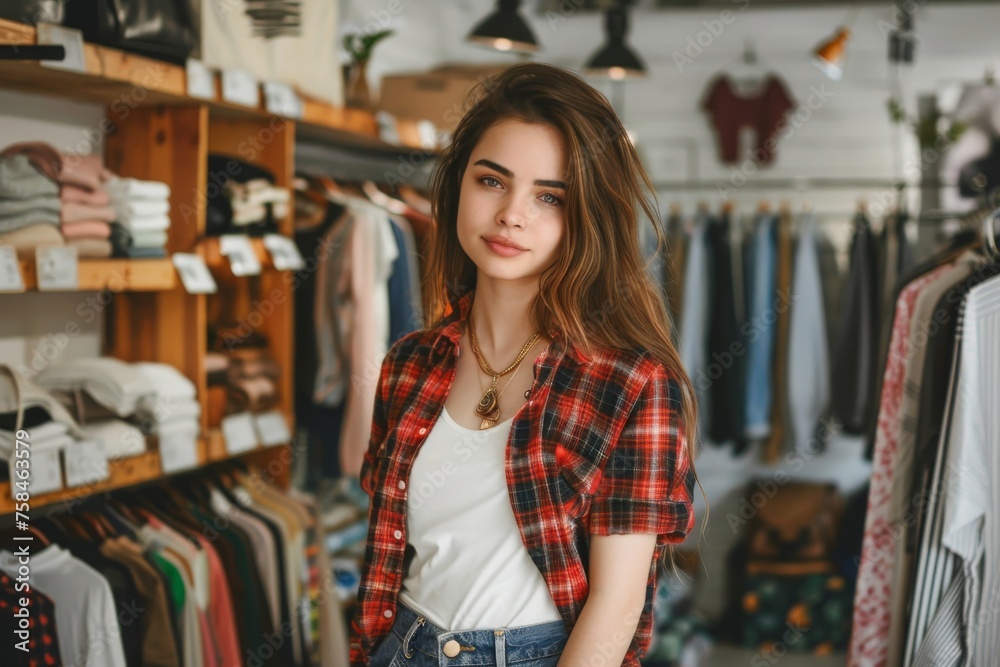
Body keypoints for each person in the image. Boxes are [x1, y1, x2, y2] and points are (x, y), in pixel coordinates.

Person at [349, 62, 698, 667]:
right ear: (458, 183)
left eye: (549, 197)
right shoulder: (407, 365)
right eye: (492, 181)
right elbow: (388, 559)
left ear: (584, 216)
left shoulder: (630, 382)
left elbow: (617, 610)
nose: (513, 214)